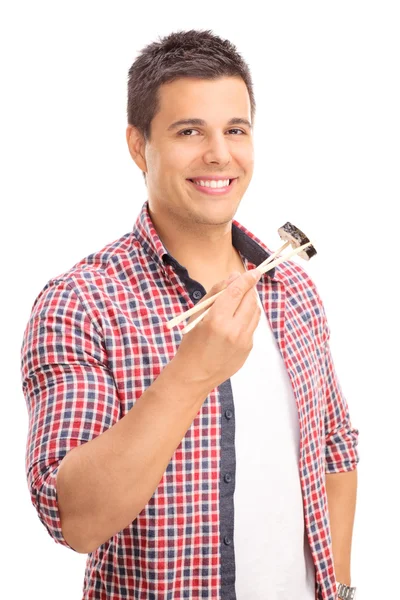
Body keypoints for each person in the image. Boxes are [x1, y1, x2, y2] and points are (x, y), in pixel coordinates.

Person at [21, 29, 359, 600]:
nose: (219, 155)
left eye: (235, 130)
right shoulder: (80, 302)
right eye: (188, 131)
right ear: (138, 145)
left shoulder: (294, 289)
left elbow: (336, 450)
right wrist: (193, 373)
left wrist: (342, 588)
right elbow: (74, 520)